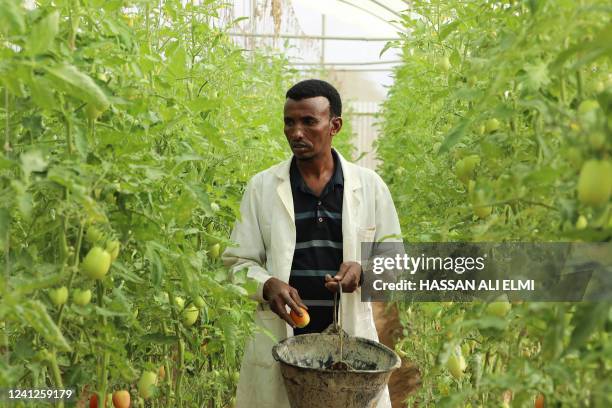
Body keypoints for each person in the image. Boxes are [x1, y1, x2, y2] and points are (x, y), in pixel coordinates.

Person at [222, 79, 402, 408]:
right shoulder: (262, 188)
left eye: (309, 121)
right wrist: (266, 285)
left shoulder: (370, 187)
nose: (296, 132)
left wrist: (362, 272)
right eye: (289, 122)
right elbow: (236, 263)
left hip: (349, 350)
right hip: (283, 342)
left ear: (335, 126)